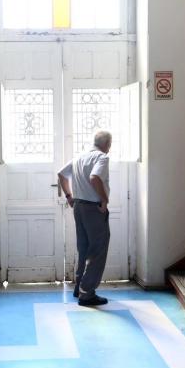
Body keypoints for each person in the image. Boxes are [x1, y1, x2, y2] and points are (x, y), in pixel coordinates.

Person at [58, 131, 111, 306]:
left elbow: (61, 174)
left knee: (84, 247)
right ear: (107, 144)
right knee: (97, 250)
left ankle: (79, 288)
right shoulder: (101, 157)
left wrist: (69, 197)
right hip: (93, 209)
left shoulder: (79, 157)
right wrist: (104, 199)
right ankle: (87, 293)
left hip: (79, 207)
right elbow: (95, 178)